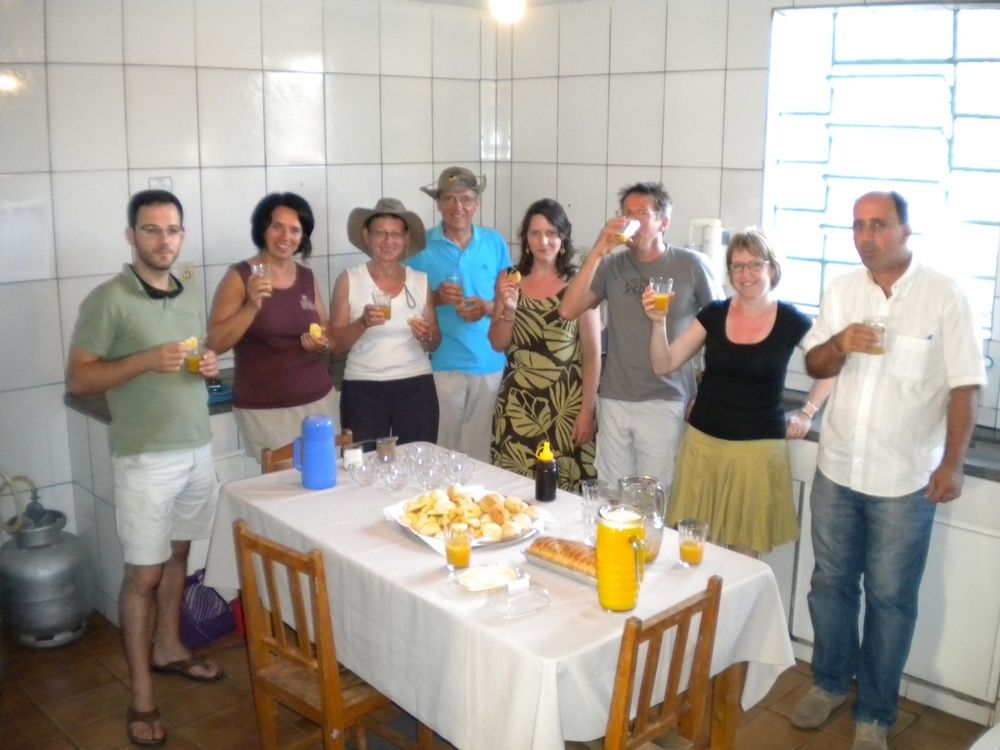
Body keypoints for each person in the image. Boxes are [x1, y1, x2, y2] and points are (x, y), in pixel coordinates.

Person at [790, 191, 985, 750]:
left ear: (905, 231)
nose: (866, 236)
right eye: (858, 226)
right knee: (829, 585)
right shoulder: (843, 289)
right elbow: (814, 362)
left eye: (878, 225)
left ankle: (875, 713)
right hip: (838, 468)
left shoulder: (944, 295)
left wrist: (953, 464)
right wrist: (841, 343)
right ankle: (829, 683)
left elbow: (965, 385)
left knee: (891, 599)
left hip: (904, 480)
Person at [66, 190, 223, 748]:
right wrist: (143, 361)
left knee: (179, 555)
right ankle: (141, 695)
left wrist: (206, 364)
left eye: (172, 230)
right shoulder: (107, 300)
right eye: (151, 230)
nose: (163, 240)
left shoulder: (191, 293)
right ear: (132, 236)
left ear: (183, 235)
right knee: (143, 576)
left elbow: (190, 361)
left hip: (196, 446)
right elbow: (79, 379)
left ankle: (169, 648)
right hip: (144, 457)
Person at [641, 228, 833, 555]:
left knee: (744, 558)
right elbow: (664, 363)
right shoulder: (714, 314)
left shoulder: (792, 320)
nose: (746, 274)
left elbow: (832, 366)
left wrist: (807, 411)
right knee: (695, 555)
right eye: (737, 266)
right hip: (703, 448)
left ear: (772, 269)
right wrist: (658, 323)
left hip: (757, 454)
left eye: (755, 264)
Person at [558, 181, 721, 489]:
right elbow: (568, 310)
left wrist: (706, 391)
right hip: (614, 398)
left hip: (667, 399)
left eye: (642, 213)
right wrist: (597, 252)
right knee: (611, 493)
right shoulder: (611, 265)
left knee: (656, 495)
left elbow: (720, 331)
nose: (631, 220)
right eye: (626, 213)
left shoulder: (691, 265)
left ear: (663, 223)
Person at [207, 192, 338, 463]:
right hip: (267, 410)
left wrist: (321, 344)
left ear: (303, 236)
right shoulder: (240, 276)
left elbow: (325, 330)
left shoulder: (306, 276)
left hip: (319, 401)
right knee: (283, 486)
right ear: (263, 229)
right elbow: (214, 343)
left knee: (326, 480)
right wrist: (251, 306)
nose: (285, 236)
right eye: (277, 226)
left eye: (295, 229)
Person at [488, 198, 600, 491]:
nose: (543, 241)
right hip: (517, 403)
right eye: (535, 233)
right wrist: (508, 310)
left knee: (563, 493)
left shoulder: (579, 283)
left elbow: (592, 355)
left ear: (563, 238)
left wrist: (587, 411)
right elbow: (498, 343)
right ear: (525, 238)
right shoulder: (509, 279)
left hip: (565, 405)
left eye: (551, 233)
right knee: (514, 492)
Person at [407, 166, 512, 462]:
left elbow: (509, 295)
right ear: (438, 204)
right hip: (442, 363)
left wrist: (487, 307)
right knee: (443, 451)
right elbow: (406, 303)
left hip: (488, 361)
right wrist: (437, 298)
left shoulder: (494, 242)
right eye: (449, 199)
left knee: (480, 455)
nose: (458, 207)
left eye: (466, 198)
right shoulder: (420, 247)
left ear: (477, 203)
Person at [329, 198, 441, 444]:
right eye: (380, 233)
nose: (388, 241)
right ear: (366, 236)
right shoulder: (349, 280)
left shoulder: (420, 280)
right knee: (363, 461)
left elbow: (434, 342)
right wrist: (362, 323)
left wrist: (426, 335)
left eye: (395, 234)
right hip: (363, 387)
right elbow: (335, 344)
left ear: (406, 238)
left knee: (418, 460)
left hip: (416, 385)